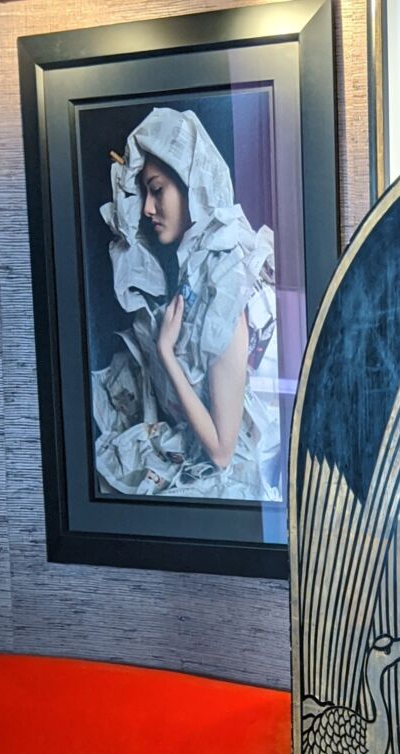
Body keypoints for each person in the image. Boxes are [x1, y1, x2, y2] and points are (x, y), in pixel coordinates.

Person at [91, 107, 280, 504]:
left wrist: (166, 353)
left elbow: (222, 452)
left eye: (157, 190)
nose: (147, 208)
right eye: (144, 193)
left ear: (192, 187)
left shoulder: (224, 284)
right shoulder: (194, 265)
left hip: (235, 470)